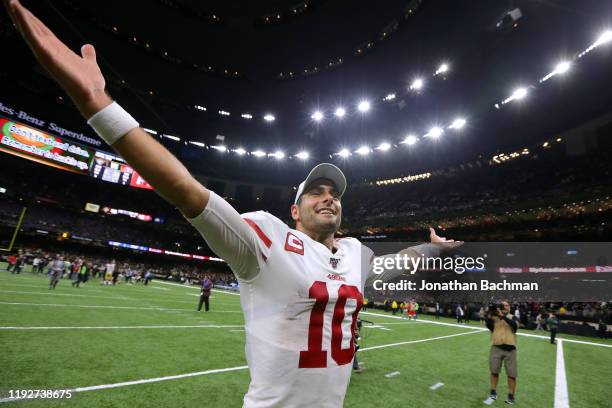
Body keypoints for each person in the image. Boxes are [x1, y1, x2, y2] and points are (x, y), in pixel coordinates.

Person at [3, 3, 462, 405]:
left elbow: (401, 261)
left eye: (335, 194)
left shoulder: (355, 256)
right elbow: (187, 190)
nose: (329, 198)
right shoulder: (265, 239)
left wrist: (436, 248)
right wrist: (98, 104)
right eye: (316, 193)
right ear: (295, 211)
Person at [486, 300, 518, 405]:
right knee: (494, 371)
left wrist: (502, 316)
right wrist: (490, 313)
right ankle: (493, 391)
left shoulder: (513, 317)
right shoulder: (494, 318)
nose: (505, 307)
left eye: (507, 305)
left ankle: (511, 395)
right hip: (496, 347)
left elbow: (515, 327)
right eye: (503, 306)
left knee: (512, 374)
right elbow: (489, 325)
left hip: (510, 349)